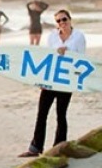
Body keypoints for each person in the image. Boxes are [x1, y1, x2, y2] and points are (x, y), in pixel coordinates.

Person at [19, 9, 86, 157]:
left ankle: (59, 147)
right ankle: (35, 148)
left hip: (66, 80)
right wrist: (42, 80)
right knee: (41, 114)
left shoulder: (78, 36)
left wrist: (66, 50)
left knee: (61, 114)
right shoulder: (52, 36)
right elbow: (47, 58)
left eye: (64, 19)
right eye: (58, 21)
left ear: (70, 19)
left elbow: (82, 59)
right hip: (51, 79)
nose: (61, 23)